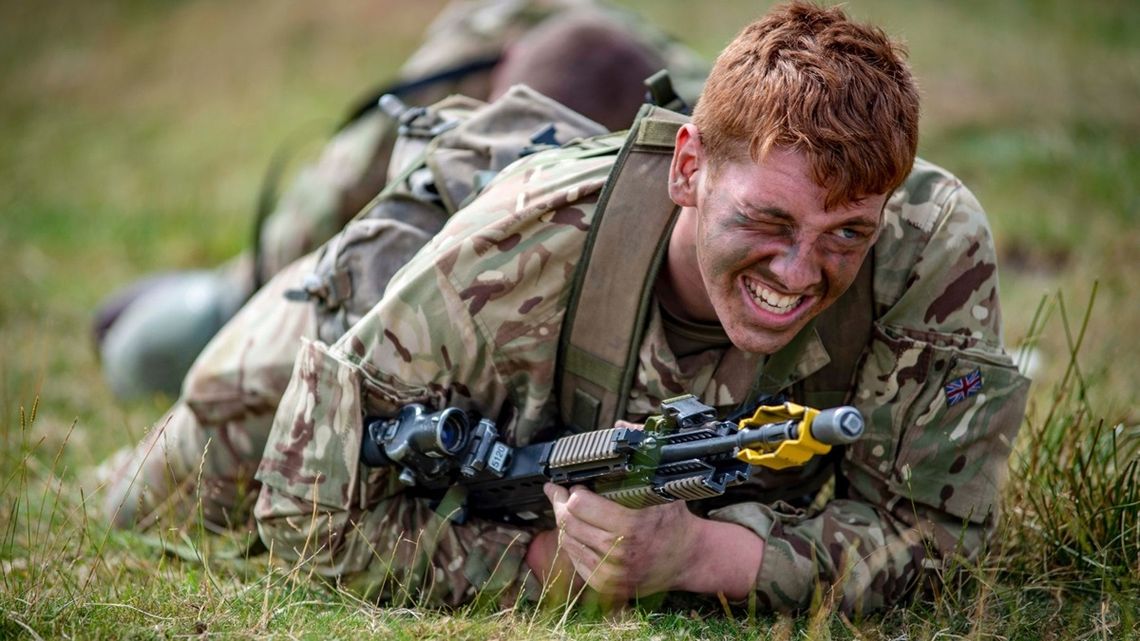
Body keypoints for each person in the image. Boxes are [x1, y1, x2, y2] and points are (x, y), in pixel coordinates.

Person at [100, 1, 1030, 615]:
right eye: (769, 221)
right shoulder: (510, 250)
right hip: (398, 271)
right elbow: (308, 510)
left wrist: (704, 560)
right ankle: (217, 292)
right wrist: (549, 566)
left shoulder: (925, 249)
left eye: (844, 235)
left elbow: (938, 539)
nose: (799, 272)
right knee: (163, 468)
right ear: (690, 168)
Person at [94, 0, 708, 400]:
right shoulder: (474, 59)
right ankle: (207, 300)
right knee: (230, 312)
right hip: (492, 66)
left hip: (622, 102)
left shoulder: (701, 129)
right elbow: (330, 229)